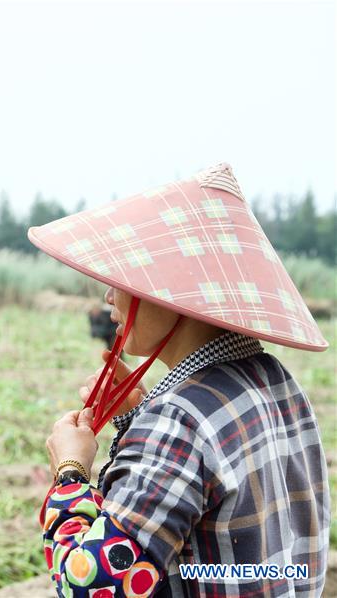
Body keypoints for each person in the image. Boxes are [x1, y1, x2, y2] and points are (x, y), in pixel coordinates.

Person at [28, 163, 330, 597]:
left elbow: (94, 584)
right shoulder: (276, 381)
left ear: (175, 293)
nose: (108, 296)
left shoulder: (178, 420)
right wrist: (141, 415)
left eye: (124, 280)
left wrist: (70, 472)